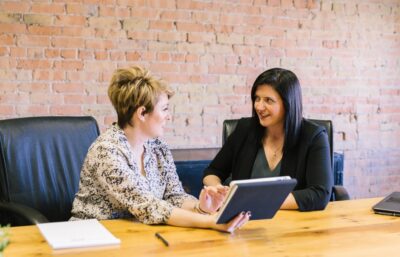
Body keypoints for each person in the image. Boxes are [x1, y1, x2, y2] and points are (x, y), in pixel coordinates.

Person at [70, 66, 250, 232]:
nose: (169, 116)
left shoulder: (158, 147)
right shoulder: (107, 151)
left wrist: (201, 208)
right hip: (92, 237)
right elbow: (148, 206)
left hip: (139, 235)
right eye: (164, 109)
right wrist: (211, 222)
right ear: (142, 113)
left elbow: (174, 196)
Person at [203, 68, 333, 211]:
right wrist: (218, 190)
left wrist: (256, 201)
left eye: (268, 100)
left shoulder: (314, 136)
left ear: (288, 104)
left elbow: (320, 194)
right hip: (243, 222)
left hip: (293, 224)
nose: (259, 106)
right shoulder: (245, 129)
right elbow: (213, 171)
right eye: (257, 98)